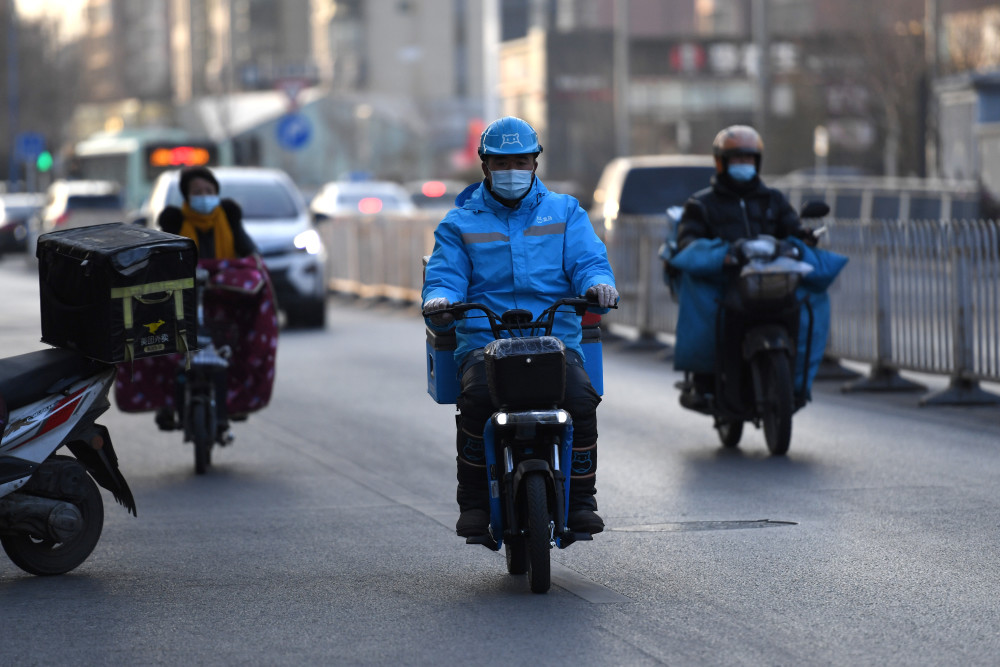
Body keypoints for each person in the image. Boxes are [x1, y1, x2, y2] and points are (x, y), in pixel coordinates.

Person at [422, 116, 619, 538]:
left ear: (535, 163)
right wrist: (440, 298)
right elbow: (445, 275)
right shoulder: (459, 223)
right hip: (484, 342)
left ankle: (582, 501)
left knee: (581, 403)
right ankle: (474, 504)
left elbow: (588, 261)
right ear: (485, 166)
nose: (512, 171)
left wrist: (599, 285)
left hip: (555, 340)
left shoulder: (566, 212)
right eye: (502, 163)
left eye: (521, 161)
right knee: (475, 403)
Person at [673, 125, 816, 406]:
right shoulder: (701, 204)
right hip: (730, 285)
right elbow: (688, 242)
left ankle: (796, 381)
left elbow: (792, 229)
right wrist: (723, 254)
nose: (744, 165)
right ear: (721, 162)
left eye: (749, 159)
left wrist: (803, 236)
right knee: (724, 321)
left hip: (773, 283)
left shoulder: (773, 199)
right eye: (737, 160)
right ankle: (718, 386)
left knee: (802, 310)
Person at [157, 165, 258, 260]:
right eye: (197, 192)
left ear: (216, 193)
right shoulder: (175, 223)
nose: (204, 196)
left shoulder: (229, 217)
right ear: (187, 196)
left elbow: (250, 252)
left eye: (209, 191)